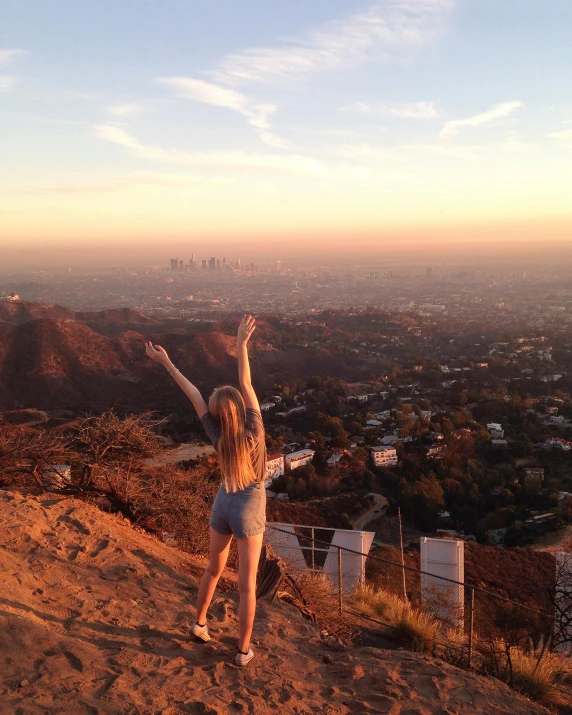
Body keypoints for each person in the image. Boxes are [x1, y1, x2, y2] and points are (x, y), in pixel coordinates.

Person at [145, 314, 266, 667]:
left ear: (217, 415)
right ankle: (243, 651)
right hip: (249, 503)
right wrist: (241, 344)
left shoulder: (218, 437)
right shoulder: (255, 430)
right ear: (239, 411)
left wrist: (166, 362)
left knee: (213, 569)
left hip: (223, 501)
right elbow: (245, 381)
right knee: (247, 586)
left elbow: (194, 394)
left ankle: (199, 623)